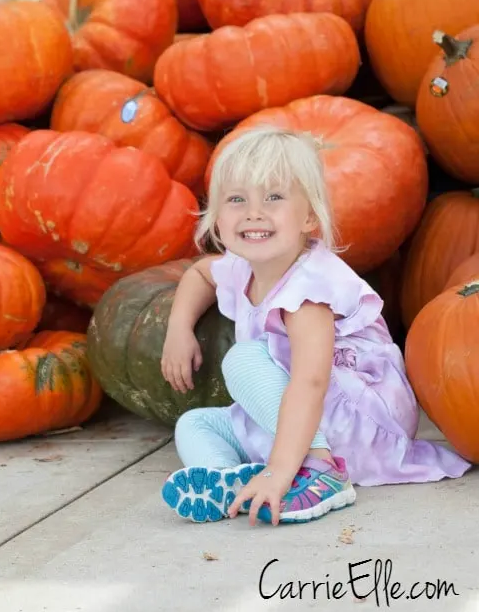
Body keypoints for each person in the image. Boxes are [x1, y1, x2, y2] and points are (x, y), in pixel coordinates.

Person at [160, 126, 471, 526]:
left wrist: (280, 468)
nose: (254, 212)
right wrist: (178, 329)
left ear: (309, 217)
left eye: (273, 198)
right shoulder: (243, 268)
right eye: (236, 200)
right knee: (196, 423)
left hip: (358, 425)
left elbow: (310, 382)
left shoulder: (309, 289)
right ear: (217, 218)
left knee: (243, 361)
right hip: (308, 416)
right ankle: (228, 482)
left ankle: (320, 470)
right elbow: (200, 276)